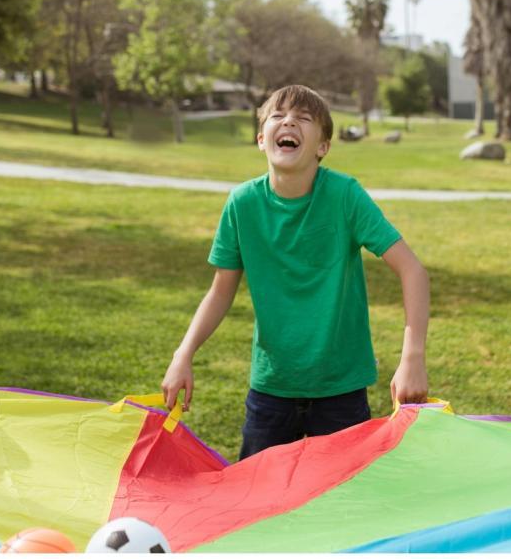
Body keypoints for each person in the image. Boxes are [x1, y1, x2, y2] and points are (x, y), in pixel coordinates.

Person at [162, 84, 430, 460]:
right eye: (278, 116)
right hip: (272, 390)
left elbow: (412, 270)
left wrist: (412, 357)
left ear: (322, 147)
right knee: (258, 505)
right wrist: (183, 355)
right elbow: (220, 291)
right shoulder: (242, 204)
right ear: (261, 139)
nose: (289, 121)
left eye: (304, 119)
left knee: (342, 505)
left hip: (341, 392)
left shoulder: (344, 196)